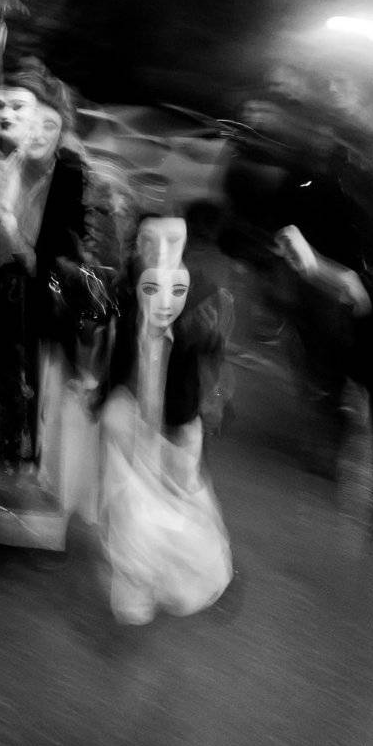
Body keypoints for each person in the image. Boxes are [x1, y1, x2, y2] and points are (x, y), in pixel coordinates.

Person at [0, 60, 118, 550]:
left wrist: (21, 242)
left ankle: (33, 524)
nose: (18, 122)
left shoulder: (75, 178)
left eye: (38, 118)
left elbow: (83, 264)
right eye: (2, 108)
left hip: (42, 326)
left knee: (38, 424)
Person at [99, 216, 233, 623]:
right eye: (152, 290)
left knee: (179, 502)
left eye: (176, 292)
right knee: (132, 505)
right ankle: (137, 583)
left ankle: (183, 573)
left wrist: (213, 396)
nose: (163, 303)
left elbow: (212, 356)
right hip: (137, 421)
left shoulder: (196, 311)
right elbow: (118, 354)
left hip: (177, 424)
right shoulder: (128, 303)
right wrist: (103, 396)